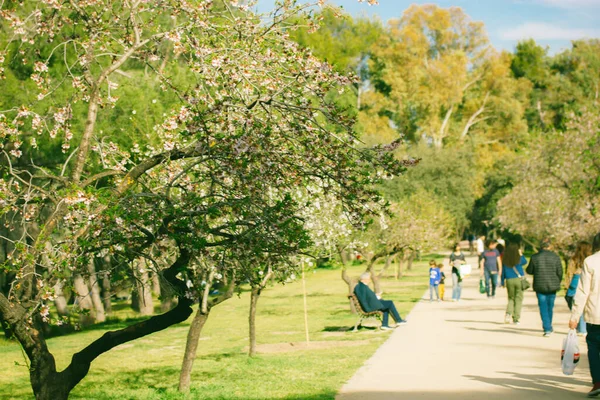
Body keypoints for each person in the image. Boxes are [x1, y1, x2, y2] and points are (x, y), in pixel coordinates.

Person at [569, 233, 600, 397]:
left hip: (596, 314)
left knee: (594, 348)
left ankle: (597, 382)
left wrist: (575, 316)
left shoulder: (591, 261)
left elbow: (582, 292)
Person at [526, 238, 562, 337]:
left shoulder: (535, 257)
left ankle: (547, 328)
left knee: (543, 307)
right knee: (550, 306)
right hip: (552, 285)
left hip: (540, 285)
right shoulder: (555, 257)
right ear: (549, 246)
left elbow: (529, 270)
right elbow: (560, 272)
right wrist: (557, 281)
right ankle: (549, 325)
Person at [566, 241, 592, 334]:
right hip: (585, 279)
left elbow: (569, 273)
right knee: (584, 303)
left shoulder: (574, 259)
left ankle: (580, 326)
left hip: (575, 280)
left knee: (577, 302)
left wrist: (568, 285)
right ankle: (582, 328)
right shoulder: (590, 259)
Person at [501, 242, 527, 324]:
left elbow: (503, 272)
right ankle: (516, 318)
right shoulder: (519, 259)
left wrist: (502, 282)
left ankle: (508, 314)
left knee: (511, 298)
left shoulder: (505, 260)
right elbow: (525, 262)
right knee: (518, 299)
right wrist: (521, 254)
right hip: (519, 279)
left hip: (509, 279)